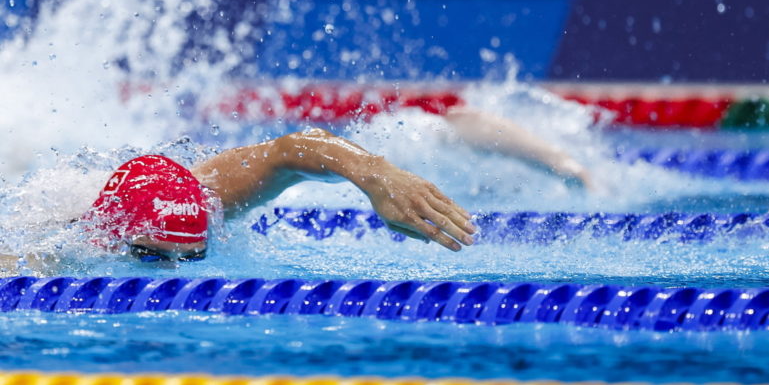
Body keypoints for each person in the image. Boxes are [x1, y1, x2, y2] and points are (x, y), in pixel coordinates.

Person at [80, 107, 594, 262]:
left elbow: (289, 150)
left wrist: (379, 175)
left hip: (357, 171)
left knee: (429, 135)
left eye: (190, 258)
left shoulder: (201, 196)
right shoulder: (58, 239)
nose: (174, 275)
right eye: (151, 257)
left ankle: (566, 163)